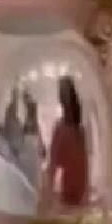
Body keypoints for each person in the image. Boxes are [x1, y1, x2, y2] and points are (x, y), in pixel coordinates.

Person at [43, 75, 89, 211]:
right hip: (74, 188)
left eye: (63, 95)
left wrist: (48, 194)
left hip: (74, 188)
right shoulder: (77, 130)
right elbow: (55, 163)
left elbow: (54, 163)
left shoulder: (70, 130)